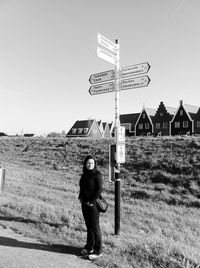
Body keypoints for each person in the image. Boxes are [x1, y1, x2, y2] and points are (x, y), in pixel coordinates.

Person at [78, 155, 103, 260]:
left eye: (92, 163)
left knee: (95, 227)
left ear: (95, 164)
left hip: (93, 205)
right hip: (84, 203)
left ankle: (98, 250)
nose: (90, 165)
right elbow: (82, 188)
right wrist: (80, 197)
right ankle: (89, 247)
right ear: (85, 164)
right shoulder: (84, 175)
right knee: (88, 226)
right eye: (88, 163)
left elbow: (99, 190)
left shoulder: (97, 174)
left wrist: (91, 201)